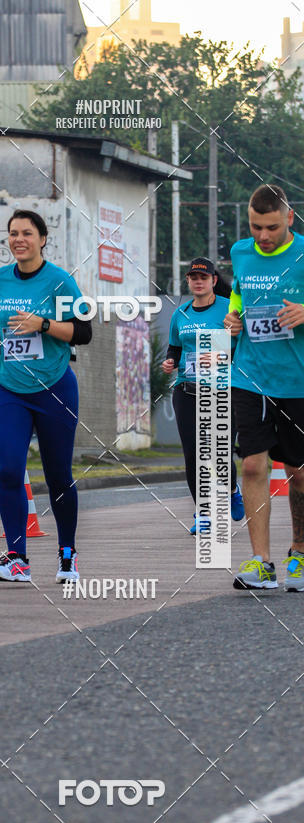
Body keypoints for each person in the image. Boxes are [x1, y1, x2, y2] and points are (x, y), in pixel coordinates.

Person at [0, 210, 92, 583]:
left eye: (27, 233)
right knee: (9, 469)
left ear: (43, 239)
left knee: (58, 475)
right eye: (13, 233)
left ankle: (67, 555)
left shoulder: (59, 282)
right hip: (10, 387)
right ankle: (17, 559)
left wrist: (41, 324)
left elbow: (83, 332)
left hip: (54, 388)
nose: (18, 239)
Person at [224, 184, 304, 590]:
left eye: (271, 227)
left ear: (289, 218)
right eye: (256, 227)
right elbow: (238, 293)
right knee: (253, 463)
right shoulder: (241, 252)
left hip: (298, 381)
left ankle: (300, 554)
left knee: (299, 472)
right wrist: (233, 317)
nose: (263, 236)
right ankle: (261, 562)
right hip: (250, 375)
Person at [163, 257, 244, 534]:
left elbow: (243, 345)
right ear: (188, 281)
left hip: (224, 391)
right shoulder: (180, 314)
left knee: (219, 454)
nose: (198, 281)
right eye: (193, 278)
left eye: (203, 277)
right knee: (194, 455)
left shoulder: (228, 309)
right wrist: (170, 362)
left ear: (212, 280)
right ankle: (203, 513)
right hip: (187, 391)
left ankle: (232, 489)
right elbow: (174, 348)